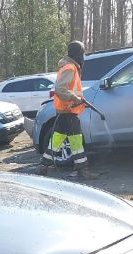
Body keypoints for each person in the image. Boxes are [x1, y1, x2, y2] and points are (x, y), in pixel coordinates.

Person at [38, 41, 95, 179]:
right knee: (76, 142)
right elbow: (60, 90)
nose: (83, 56)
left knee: (56, 142)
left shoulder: (68, 66)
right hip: (68, 112)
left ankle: (43, 166)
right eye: (82, 52)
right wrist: (75, 98)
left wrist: (77, 99)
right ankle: (83, 170)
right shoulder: (70, 67)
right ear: (78, 53)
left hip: (64, 112)